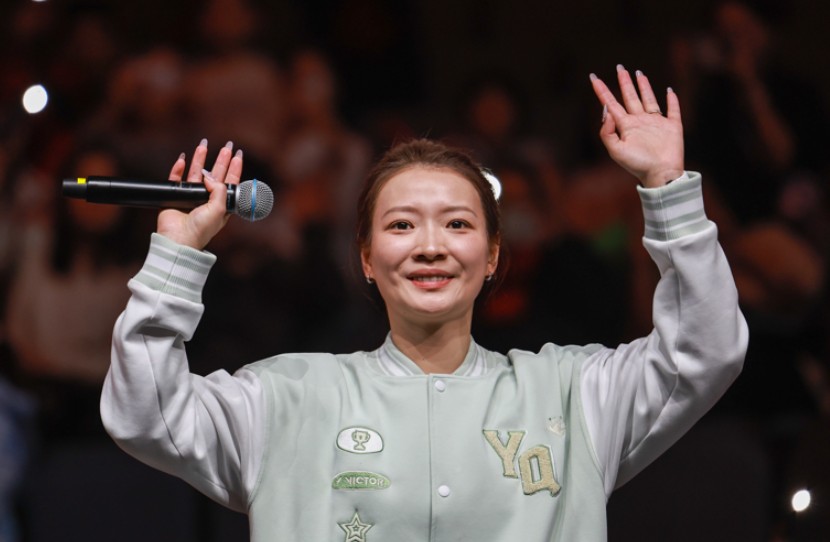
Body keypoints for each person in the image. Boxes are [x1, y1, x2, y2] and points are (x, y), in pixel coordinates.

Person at [100, 66, 747, 541]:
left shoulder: (572, 394)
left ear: (493, 256)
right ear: (366, 257)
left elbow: (704, 351)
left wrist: (667, 190)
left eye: (459, 226)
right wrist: (177, 257)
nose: (431, 246)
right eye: (403, 225)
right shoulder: (288, 395)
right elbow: (146, 416)